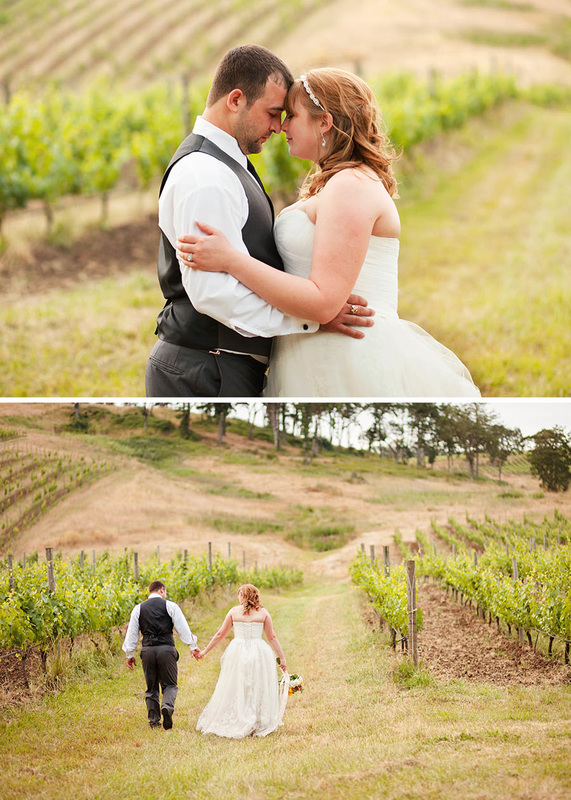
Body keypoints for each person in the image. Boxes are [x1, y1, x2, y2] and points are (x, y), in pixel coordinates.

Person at [176, 68, 482, 398]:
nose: (282, 127)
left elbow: (323, 302)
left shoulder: (350, 185)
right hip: (316, 351)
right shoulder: (337, 183)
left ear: (324, 122)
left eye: (292, 116)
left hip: (346, 355)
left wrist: (232, 260)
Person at [145, 45, 374, 398]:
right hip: (206, 368)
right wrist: (312, 318)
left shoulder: (225, 163)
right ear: (235, 100)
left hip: (221, 364)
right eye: (272, 113)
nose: (279, 127)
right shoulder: (206, 174)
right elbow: (214, 294)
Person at [195, 584, 289, 738]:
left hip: (237, 651)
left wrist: (204, 651)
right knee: (257, 683)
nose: (238, 598)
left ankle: (240, 715)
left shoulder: (233, 612)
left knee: (236, 683)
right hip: (258, 652)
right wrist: (282, 658)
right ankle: (257, 718)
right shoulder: (263, 613)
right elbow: (272, 637)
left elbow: (220, 634)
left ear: (244, 596)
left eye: (239, 595)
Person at [122, 580, 201, 729]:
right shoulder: (171, 606)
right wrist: (192, 646)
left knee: (151, 687)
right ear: (162, 590)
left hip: (148, 651)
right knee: (170, 685)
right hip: (166, 649)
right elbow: (182, 628)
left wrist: (129, 654)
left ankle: (154, 721)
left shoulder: (138, 608)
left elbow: (132, 633)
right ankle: (167, 706)